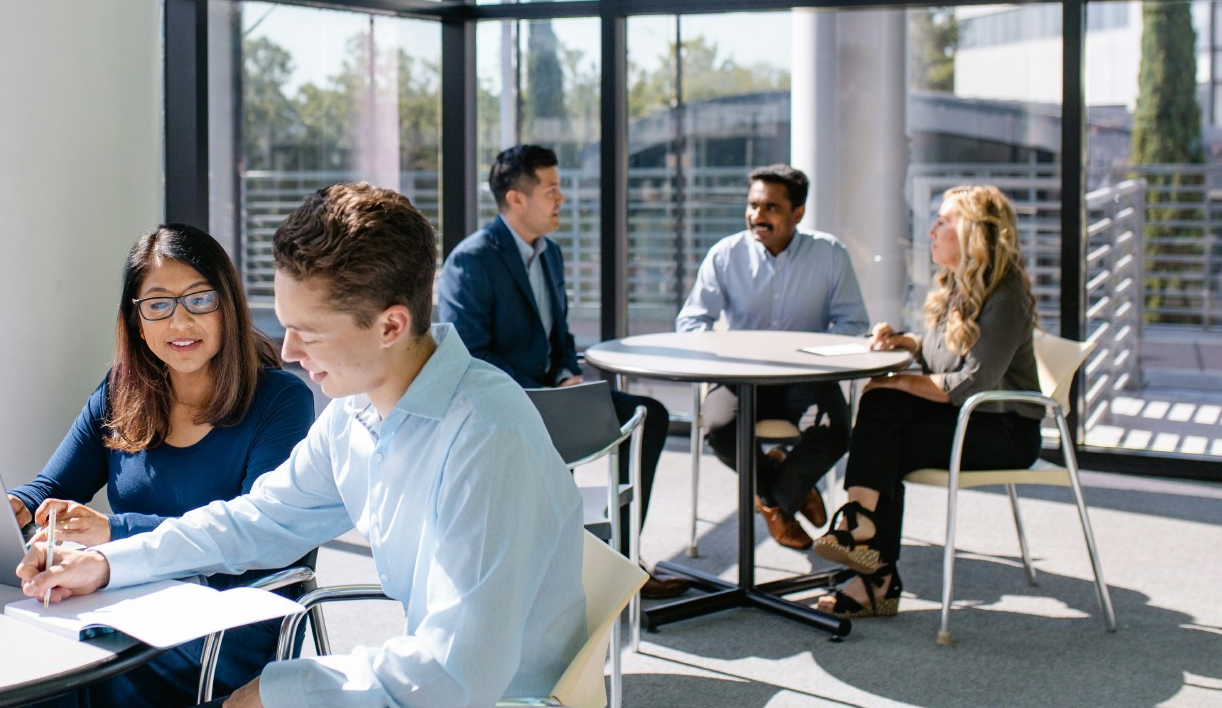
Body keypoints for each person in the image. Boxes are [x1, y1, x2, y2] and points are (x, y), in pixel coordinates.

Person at [18, 183, 587, 708]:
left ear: (390, 325)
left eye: (308, 332)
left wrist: (280, 688)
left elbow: (455, 675)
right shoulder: (357, 414)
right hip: (410, 705)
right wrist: (108, 562)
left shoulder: (486, 435)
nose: (287, 352)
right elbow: (257, 520)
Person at [0, 224, 315, 708]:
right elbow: (51, 488)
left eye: (198, 300)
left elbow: (256, 536)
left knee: (59, 678)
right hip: (128, 607)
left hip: (227, 628)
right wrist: (18, 505)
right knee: (35, 663)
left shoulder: (280, 401)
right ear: (136, 320)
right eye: (158, 305)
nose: (179, 322)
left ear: (227, 306)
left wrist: (116, 531)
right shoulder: (123, 392)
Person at [438, 144, 685, 599]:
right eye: (551, 190)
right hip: (509, 406)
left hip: (554, 396)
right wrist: (548, 390)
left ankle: (620, 562)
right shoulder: (472, 260)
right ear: (516, 199)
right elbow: (471, 355)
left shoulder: (548, 253)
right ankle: (577, 569)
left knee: (647, 415)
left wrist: (568, 372)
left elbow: (560, 334)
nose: (561, 199)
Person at [813, 184, 1044, 618]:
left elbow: (973, 382)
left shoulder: (1005, 295)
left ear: (975, 232)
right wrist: (907, 342)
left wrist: (898, 382)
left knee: (885, 418)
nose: (931, 230)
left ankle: (872, 561)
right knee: (884, 421)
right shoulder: (955, 285)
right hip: (966, 421)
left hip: (1005, 431)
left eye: (943, 221)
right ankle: (867, 545)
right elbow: (946, 354)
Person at [676, 164, 868, 550]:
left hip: (806, 376)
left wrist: (810, 353)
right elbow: (692, 321)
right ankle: (787, 489)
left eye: (771, 208)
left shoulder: (830, 255)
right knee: (717, 427)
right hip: (741, 376)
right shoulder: (725, 255)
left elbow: (853, 322)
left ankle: (772, 500)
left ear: (798, 213)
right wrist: (727, 353)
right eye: (753, 206)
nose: (757, 216)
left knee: (835, 433)